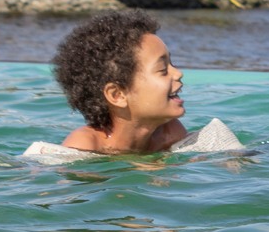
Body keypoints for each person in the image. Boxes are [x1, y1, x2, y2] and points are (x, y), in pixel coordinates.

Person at [51, 11, 191, 154]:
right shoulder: (84, 145)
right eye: (162, 70)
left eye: (171, 64)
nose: (178, 73)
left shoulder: (170, 132)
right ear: (117, 95)